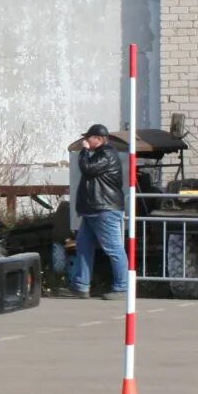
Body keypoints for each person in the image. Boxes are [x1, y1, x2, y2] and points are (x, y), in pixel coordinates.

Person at [68, 123, 129, 298]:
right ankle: (81, 285)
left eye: (89, 138)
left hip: (105, 209)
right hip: (92, 210)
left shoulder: (107, 154)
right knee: (84, 246)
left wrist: (85, 151)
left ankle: (122, 287)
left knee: (114, 248)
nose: (86, 141)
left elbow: (87, 168)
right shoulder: (100, 154)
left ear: (99, 139)